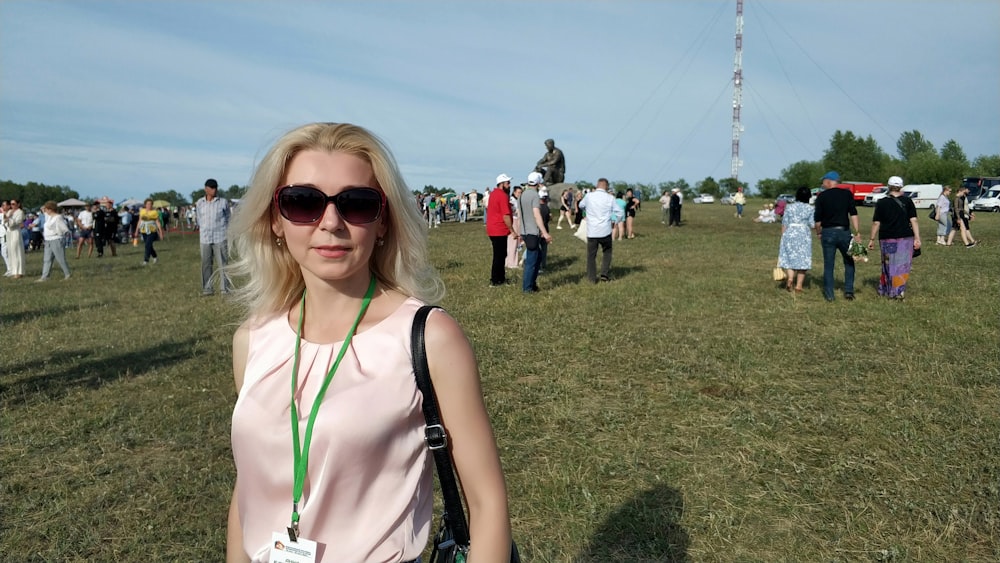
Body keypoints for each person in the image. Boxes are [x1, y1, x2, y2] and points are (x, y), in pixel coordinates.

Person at [225, 122, 511, 563]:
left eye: (357, 205)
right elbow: (250, 487)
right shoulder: (253, 340)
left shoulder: (428, 337)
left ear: (383, 223)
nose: (331, 223)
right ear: (275, 221)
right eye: (303, 202)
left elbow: (487, 502)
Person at [867, 175, 921, 300]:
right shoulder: (907, 202)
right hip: (905, 237)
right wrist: (917, 237)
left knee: (888, 264)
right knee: (902, 265)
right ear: (901, 187)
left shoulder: (881, 202)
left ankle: (886, 289)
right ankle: (898, 291)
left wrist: (871, 239)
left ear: (889, 186)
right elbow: (914, 220)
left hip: (887, 238)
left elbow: (876, 222)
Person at [813, 171, 861, 301]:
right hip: (844, 232)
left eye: (823, 181)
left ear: (829, 181)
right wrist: (857, 233)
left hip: (828, 232)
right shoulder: (847, 194)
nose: (822, 184)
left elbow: (817, 221)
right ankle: (849, 291)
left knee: (829, 265)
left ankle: (829, 295)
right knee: (849, 261)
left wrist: (818, 232)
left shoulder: (821, 197)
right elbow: (854, 214)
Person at [517, 172, 553, 293]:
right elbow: (537, 215)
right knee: (532, 261)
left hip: (524, 230)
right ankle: (528, 288)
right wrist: (545, 232)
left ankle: (532, 284)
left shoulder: (521, 195)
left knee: (537, 257)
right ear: (538, 183)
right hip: (532, 231)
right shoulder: (534, 196)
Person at [196, 178, 232, 295]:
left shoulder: (223, 202)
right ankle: (207, 288)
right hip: (205, 238)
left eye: (216, 187)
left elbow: (228, 218)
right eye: (212, 188)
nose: (214, 190)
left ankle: (225, 288)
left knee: (223, 263)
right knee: (206, 264)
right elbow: (199, 219)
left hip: (220, 236)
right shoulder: (200, 203)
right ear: (206, 189)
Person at [777, 187, 813, 293]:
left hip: (790, 232)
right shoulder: (810, 208)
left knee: (789, 258)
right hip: (803, 234)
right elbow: (812, 224)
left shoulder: (789, 207)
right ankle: (799, 286)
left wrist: (783, 236)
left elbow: (784, 223)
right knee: (803, 259)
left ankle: (790, 279)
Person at [579, 178, 615, 283]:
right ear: (606, 186)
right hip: (605, 229)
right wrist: (613, 220)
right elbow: (618, 211)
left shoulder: (589, 196)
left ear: (597, 185)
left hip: (592, 230)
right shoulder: (610, 198)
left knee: (591, 255)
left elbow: (581, 205)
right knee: (607, 252)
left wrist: (588, 211)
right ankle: (604, 273)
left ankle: (591, 278)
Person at [486, 174, 516, 286]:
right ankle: (496, 280)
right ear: (502, 184)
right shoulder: (502, 196)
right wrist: (512, 230)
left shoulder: (493, 194)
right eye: (508, 183)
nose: (509, 185)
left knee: (501, 254)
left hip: (493, 228)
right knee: (499, 255)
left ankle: (500, 278)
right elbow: (506, 215)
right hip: (499, 229)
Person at [36, 201, 72, 281]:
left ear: (50, 209)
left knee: (60, 258)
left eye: (47, 209)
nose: (45, 210)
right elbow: (42, 210)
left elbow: (64, 229)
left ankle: (67, 274)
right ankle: (45, 276)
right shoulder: (48, 217)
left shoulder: (58, 217)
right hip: (48, 240)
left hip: (56, 239)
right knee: (47, 259)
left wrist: (61, 234)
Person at [137, 199, 164, 266]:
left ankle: (146, 260)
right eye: (148, 204)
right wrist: (136, 231)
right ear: (145, 205)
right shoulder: (142, 211)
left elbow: (157, 222)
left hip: (152, 230)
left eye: (150, 204)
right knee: (149, 245)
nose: (149, 205)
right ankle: (155, 257)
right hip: (143, 230)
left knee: (147, 245)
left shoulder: (154, 212)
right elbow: (139, 221)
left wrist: (160, 232)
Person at [5, 199, 26, 278]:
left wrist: (9, 218)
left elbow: (16, 222)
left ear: (18, 204)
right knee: (11, 251)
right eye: (11, 204)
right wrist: (7, 218)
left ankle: (19, 271)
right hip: (9, 232)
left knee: (16, 251)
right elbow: (5, 222)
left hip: (16, 232)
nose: (12, 206)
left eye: (13, 204)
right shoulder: (10, 211)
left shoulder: (20, 212)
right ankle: (13, 271)